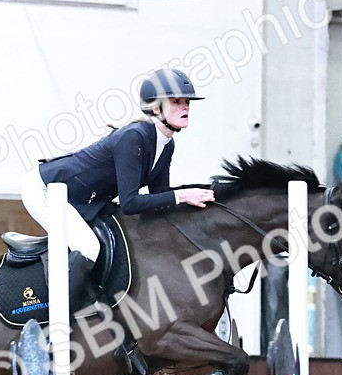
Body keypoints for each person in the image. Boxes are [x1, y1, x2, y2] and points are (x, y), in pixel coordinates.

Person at [20, 68, 216, 306]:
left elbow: (160, 201)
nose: (185, 107)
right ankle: (57, 323)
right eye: (177, 101)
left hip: (84, 199)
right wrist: (184, 195)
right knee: (88, 246)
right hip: (45, 189)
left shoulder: (166, 144)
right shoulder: (134, 136)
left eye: (187, 102)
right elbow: (131, 203)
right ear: (156, 108)